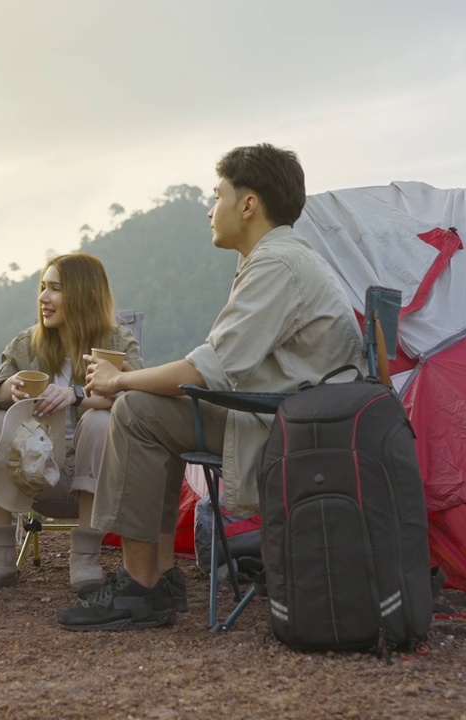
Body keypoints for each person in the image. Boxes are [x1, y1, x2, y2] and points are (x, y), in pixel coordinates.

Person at [56, 143, 364, 631]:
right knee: (144, 408)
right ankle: (155, 576)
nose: (209, 209)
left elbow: (207, 370)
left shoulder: (276, 265)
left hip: (289, 432)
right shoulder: (278, 258)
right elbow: (217, 365)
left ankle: (143, 586)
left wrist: (117, 380)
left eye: (217, 195)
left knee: (136, 410)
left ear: (248, 204)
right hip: (291, 417)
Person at [0, 253, 141, 595]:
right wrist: (9, 386)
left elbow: (135, 397)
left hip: (101, 476)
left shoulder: (117, 343)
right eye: (43, 287)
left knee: (101, 420)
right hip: (35, 470)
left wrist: (76, 395)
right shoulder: (26, 343)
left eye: (55, 288)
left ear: (83, 294)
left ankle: (86, 557)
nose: (43, 297)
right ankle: (0, 557)